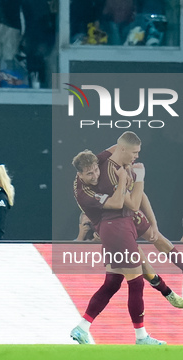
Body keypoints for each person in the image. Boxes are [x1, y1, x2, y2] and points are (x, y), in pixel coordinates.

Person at [69, 148, 169, 346]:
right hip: (117, 233)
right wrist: (124, 176)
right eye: (89, 174)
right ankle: (141, 337)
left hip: (114, 232)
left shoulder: (94, 164)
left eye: (96, 170)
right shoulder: (84, 194)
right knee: (136, 282)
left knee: (112, 283)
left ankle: (82, 327)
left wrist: (127, 158)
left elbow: (119, 146)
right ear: (79, 175)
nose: (95, 175)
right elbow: (117, 202)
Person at [98, 134, 183, 282]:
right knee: (137, 264)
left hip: (128, 214)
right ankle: (162, 289)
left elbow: (141, 196)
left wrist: (154, 224)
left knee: (157, 237)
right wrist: (140, 177)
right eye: (134, 152)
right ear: (123, 150)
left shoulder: (121, 159)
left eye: (138, 151)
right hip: (114, 222)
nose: (137, 156)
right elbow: (134, 205)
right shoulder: (111, 175)